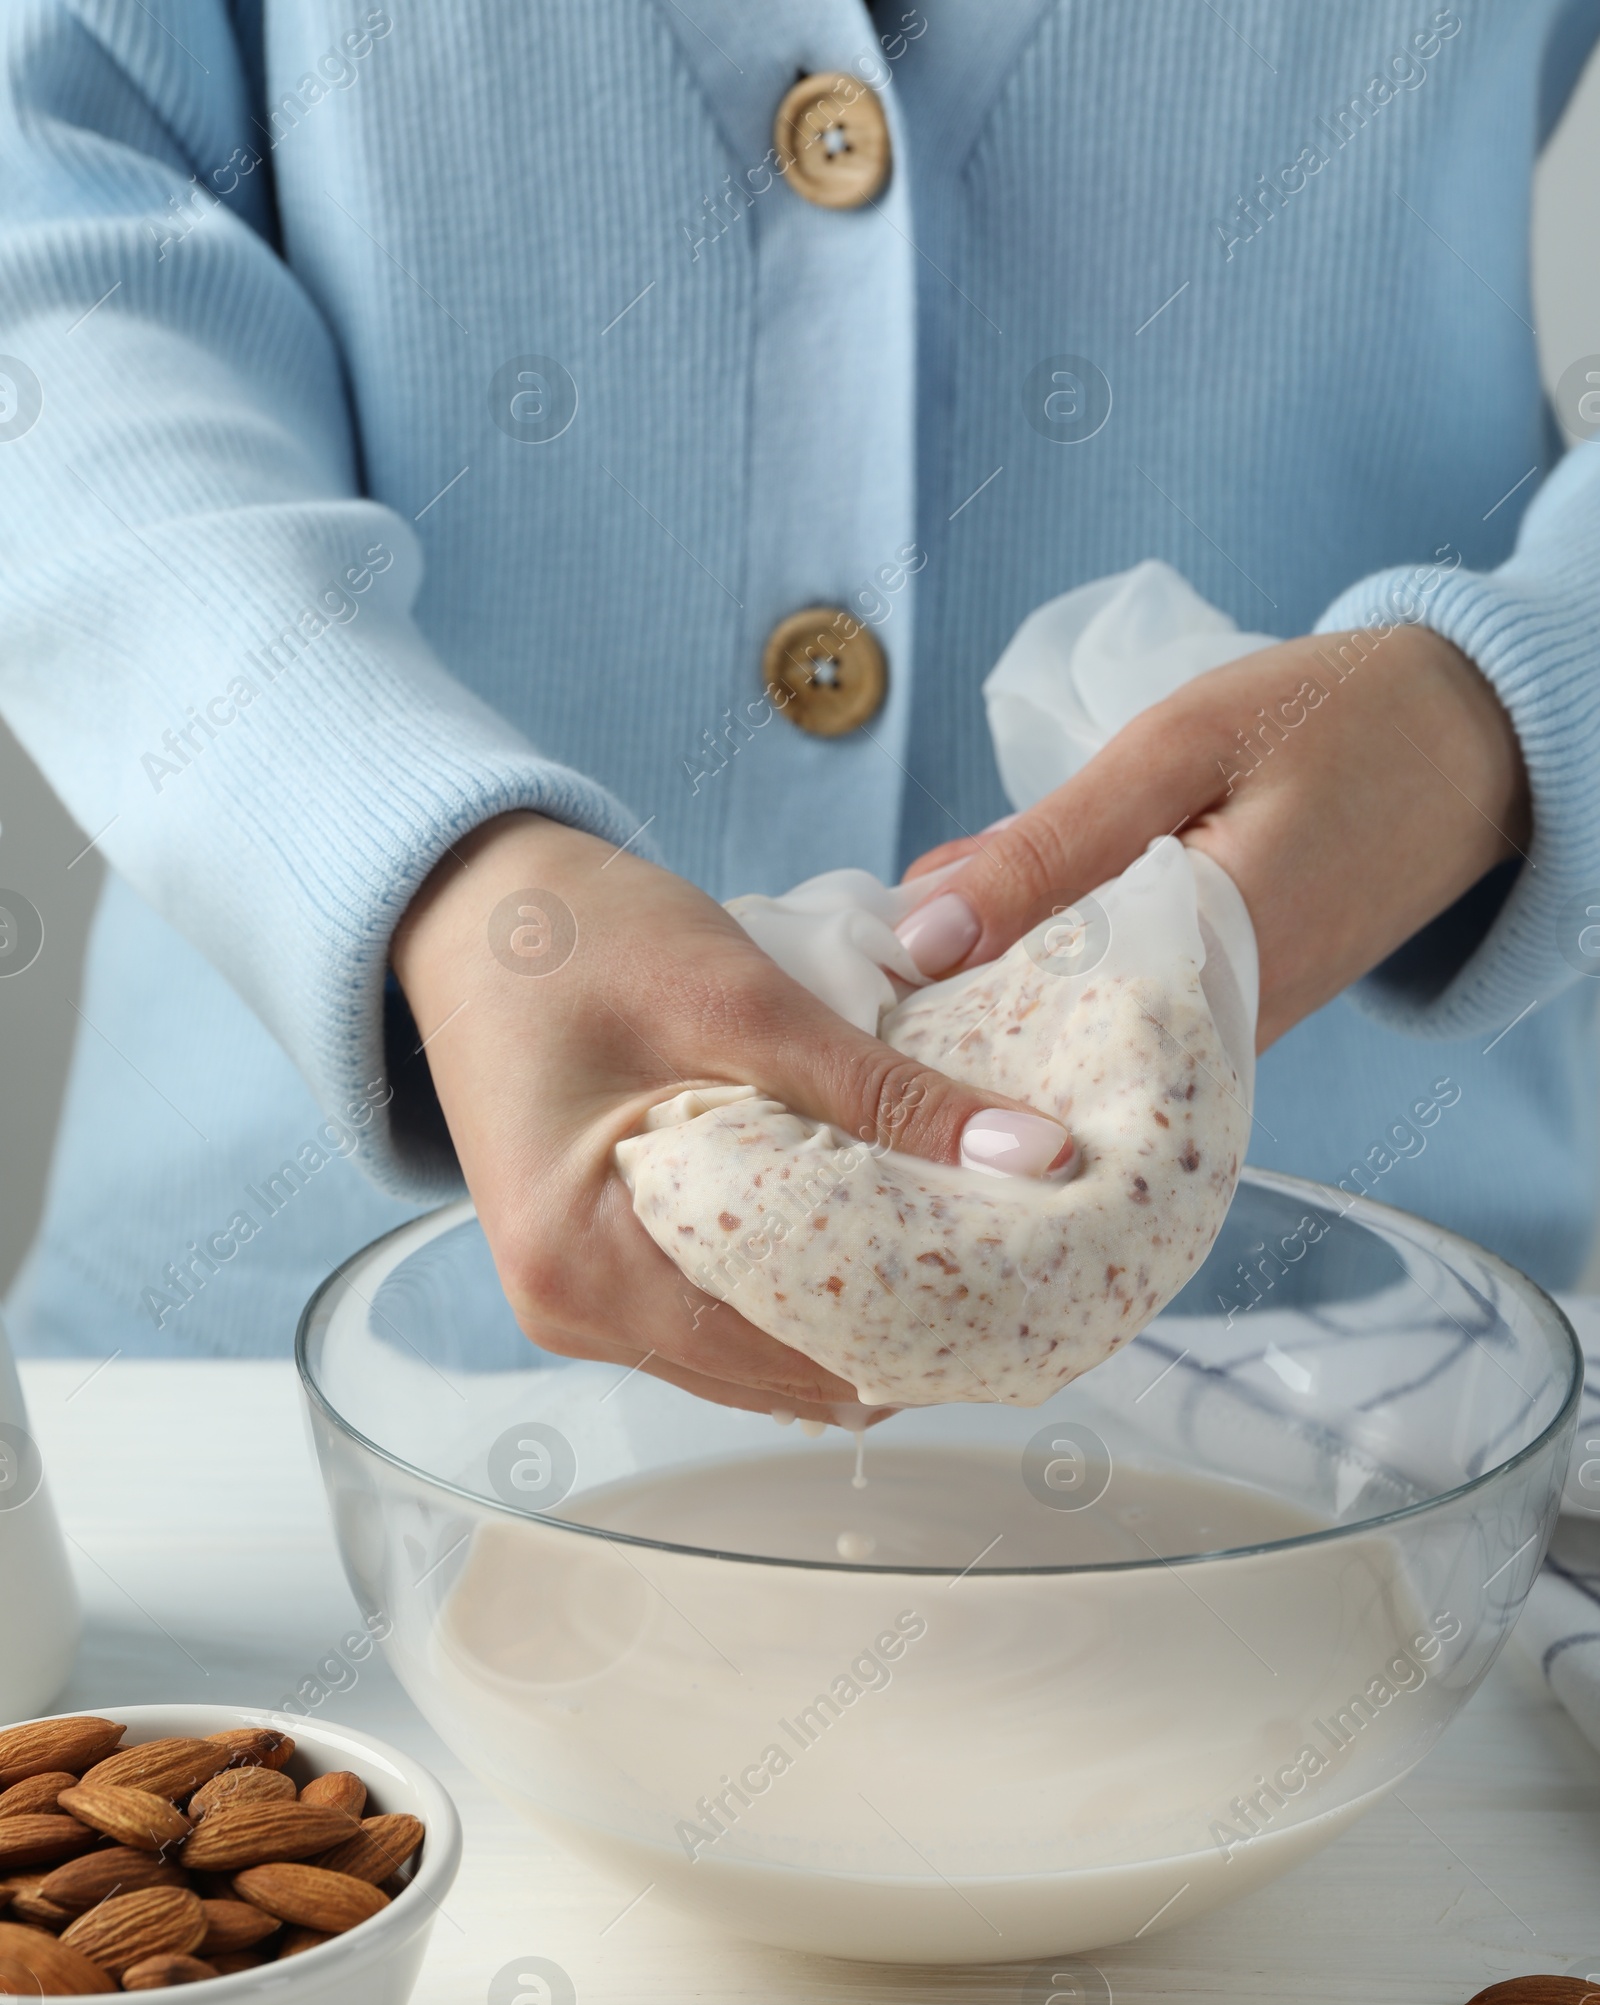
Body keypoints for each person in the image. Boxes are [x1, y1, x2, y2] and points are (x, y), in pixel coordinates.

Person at [0, 3, 1594, 1417]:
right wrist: (399, 839)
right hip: (256, 1388)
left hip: (1363, 1374)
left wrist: (1510, 707)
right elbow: (43, 228)